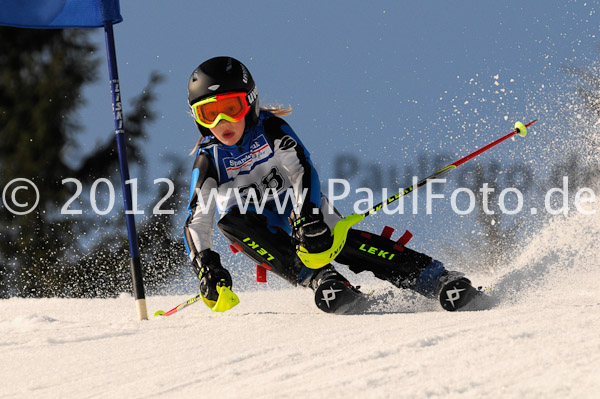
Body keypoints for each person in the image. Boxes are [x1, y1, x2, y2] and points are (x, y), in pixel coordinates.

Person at [183, 56, 477, 314]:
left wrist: (308, 214)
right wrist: (207, 265)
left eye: (231, 108)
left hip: (299, 205)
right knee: (230, 222)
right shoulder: (209, 160)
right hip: (258, 225)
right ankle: (321, 278)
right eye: (209, 114)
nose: (223, 122)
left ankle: (435, 278)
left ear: (250, 102)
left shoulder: (269, 129)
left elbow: (301, 168)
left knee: (334, 240)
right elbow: (197, 222)